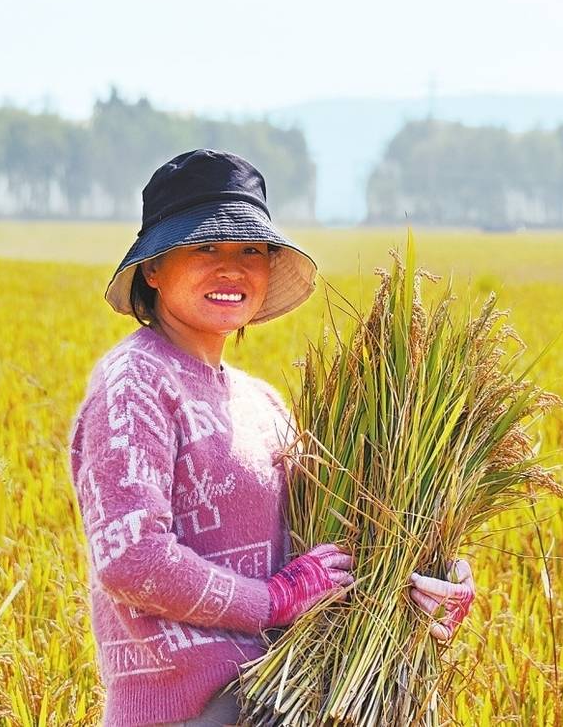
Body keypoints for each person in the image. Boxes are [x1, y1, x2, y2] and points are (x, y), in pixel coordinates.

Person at [67, 149, 477, 727]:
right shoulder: (135, 381)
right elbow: (130, 559)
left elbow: (338, 548)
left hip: (280, 701)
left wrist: (427, 579)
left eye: (250, 249)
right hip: (189, 713)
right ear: (153, 268)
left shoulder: (264, 404)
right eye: (205, 245)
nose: (231, 268)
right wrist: (272, 602)